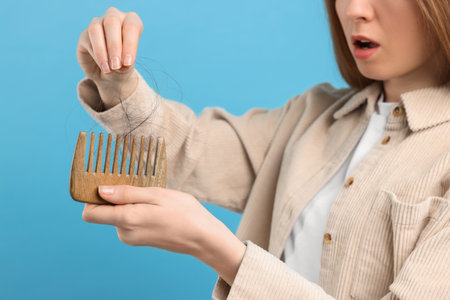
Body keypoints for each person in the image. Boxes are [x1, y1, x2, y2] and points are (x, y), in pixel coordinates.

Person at [76, 0, 450, 299]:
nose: (354, 9)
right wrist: (118, 82)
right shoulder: (311, 116)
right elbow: (189, 149)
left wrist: (219, 250)